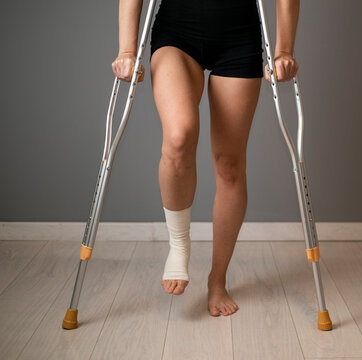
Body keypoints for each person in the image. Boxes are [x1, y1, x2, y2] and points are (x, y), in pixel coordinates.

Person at [111, 0, 299, 317]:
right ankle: (179, 245)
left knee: (229, 166)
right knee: (179, 136)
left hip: (239, 35)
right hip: (177, 33)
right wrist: (127, 50)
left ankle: (217, 280)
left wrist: (283, 50)